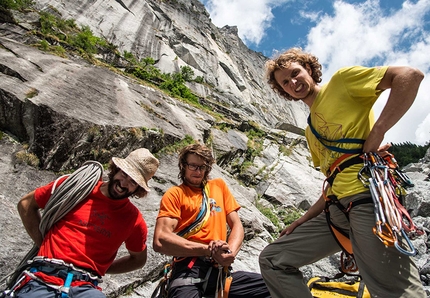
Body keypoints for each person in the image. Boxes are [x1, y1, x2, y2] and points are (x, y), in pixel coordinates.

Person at [258, 47, 426, 298]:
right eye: (285, 82)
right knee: (273, 259)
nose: (293, 82)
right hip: (335, 209)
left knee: (393, 289)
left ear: (310, 70)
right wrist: (303, 220)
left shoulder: (343, 82)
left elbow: (410, 76)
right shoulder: (309, 130)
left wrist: (377, 132)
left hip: (367, 198)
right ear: (283, 91)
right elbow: (333, 181)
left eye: (296, 73)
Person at [9, 148, 159, 298]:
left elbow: (138, 259)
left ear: (138, 189)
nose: (124, 183)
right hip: (44, 275)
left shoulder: (133, 220)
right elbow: (26, 205)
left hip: (85, 286)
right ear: (116, 169)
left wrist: (103, 268)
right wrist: (44, 244)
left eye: (133, 182)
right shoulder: (76, 188)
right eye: (124, 174)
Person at [153, 143, 271, 298]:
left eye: (202, 167)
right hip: (188, 267)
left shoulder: (218, 187)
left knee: (275, 287)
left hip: (220, 270)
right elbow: (161, 239)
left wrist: (229, 254)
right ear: (183, 165)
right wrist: (208, 250)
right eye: (193, 166)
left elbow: (236, 225)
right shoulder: (175, 194)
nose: (198, 171)